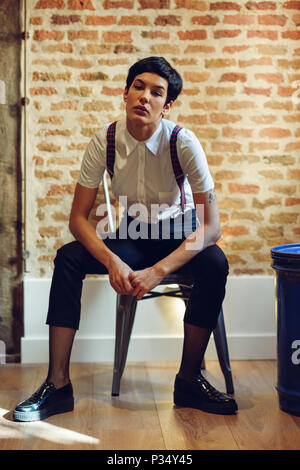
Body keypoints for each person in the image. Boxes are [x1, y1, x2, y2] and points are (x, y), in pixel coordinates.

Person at [13, 56, 237, 422]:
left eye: (156, 92)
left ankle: (189, 380)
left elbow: (212, 228)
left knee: (215, 262)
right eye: (138, 86)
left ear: (167, 106)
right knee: (68, 257)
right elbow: (77, 219)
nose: (145, 97)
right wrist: (111, 260)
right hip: (132, 236)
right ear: (125, 92)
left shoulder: (184, 142)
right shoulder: (105, 140)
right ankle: (57, 385)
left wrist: (158, 272)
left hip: (179, 235)